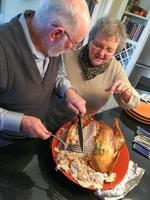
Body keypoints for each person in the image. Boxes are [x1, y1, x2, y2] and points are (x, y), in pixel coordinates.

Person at [0, 0, 91, 146]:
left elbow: (58, 72)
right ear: (56, 33)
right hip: (6, 149)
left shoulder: (51, 41)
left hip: (34, 142)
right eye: (74, 44)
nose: (72, 49)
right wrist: (21, 122)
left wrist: (68, 92)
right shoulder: (3, 47)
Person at [47, 16, 140, 131]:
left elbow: (133, 103)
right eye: (97, 45)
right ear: (90, 40)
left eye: (109, 50)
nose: (101, 53)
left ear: (116, 51)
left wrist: (127, 92)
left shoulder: (115, 69)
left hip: (82, 130)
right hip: (51, 125)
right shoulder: (67, 55)